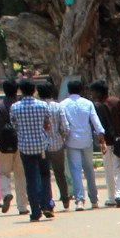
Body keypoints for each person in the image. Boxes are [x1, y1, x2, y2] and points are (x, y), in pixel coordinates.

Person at [8, 79, 56, 221]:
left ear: (21, 91)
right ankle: (46, 204)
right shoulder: (42, 105)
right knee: (45, 175)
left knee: (30, 179)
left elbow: (14, 126)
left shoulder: (15, 107)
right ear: (34, 90)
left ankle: (35, 212)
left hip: (25, 147)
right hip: (41, 145)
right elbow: (47, 124)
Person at [60, 78, 105, 209]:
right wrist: (102, 140)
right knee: (89, 169)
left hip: (71, 140)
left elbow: (63, 124)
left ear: (69, 90)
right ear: (81, 90)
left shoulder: (63, 104)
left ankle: (79, 199)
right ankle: (94, 199)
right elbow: (96, 122)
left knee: (75, 170)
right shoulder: (88, 103)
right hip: (86, 139)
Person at [93, 81, 120, 208]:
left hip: (104, 141)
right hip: (118, 139)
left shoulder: (96, 106)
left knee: (108, 169)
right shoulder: (116, 101)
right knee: (118, 168)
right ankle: (119, 194)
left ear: (98, 92)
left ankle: (111, 197)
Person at [0, 80, 20, 213]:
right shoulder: (20, 105)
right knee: (21, 175)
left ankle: (6, 193)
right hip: (20, 143)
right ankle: (23, 206)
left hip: (3, 144)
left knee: (3, 172)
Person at [43, 82, 71, 210]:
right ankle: (65, 198)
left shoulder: (39, 107)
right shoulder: (58, 107)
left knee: (44, 174)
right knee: (59, 173)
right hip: (57, 144)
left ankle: (48, 200)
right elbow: (65, 127)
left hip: (42, 146)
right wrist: (61, 136)